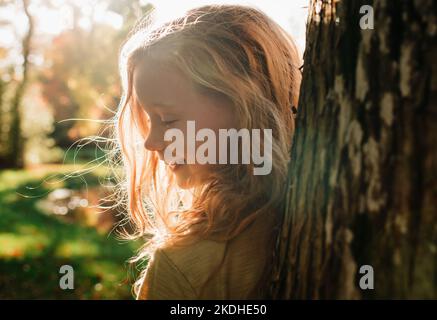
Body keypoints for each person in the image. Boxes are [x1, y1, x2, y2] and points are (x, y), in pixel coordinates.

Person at [114, 4, 302, 299]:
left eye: (167, 119)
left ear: (244, 107)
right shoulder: (315, 208)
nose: (150, 142)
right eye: (149, 120)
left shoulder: (185, 268)